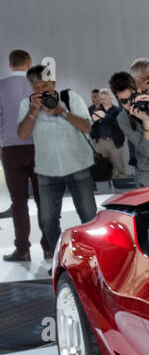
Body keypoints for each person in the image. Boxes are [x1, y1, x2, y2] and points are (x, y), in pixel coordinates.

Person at [15, 65, 96, 261]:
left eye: (45, 85)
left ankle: (93, 257)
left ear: (54, 82)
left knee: (89, 217)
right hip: (47, 171)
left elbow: (87, 127)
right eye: (36, 87)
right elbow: (22, 135)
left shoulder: (70, 98)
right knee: (48, 221)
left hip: (78, 166)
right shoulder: (27, 105)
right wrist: (34, 111)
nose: (41, 90)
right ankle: (62, 259)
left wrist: (62, 112)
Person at [0, 49, 42, 262]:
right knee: (45, 199)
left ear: (10, 64)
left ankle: (23, 249)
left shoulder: (1, 85)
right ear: (29, 62)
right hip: (39, 147)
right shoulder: (40, 85)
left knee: (18, 202)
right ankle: (50, 247)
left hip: (11, 148)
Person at [88, 87, 130, 182]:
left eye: (105, 98)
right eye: (101, 99)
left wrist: (105, 116)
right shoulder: (97, 110)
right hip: (101, 142)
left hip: (114, 142)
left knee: (119, 167)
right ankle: (106, 190)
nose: (103, 101)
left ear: (111, 98)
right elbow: (92, 129)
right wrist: (93, 122)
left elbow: (119, 124)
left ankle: (121, 189)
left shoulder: (118, 110)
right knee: (102, 167)